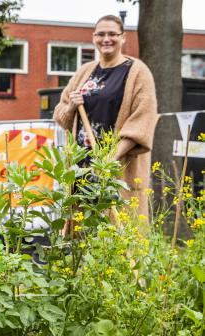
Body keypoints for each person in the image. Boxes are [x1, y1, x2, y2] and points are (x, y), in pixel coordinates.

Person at [53, 14, 158, 217]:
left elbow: (141, 122)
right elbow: (61, 115)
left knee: (119, 230)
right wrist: (71, 107)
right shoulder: (84, 72)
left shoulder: (137, 72)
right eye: (101, 34)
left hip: (115, 167)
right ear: (93, 38)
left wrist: (108, 159)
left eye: (112, 34)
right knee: (83, 231)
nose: (106, 39)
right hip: (82, 168)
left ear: (123, 37)